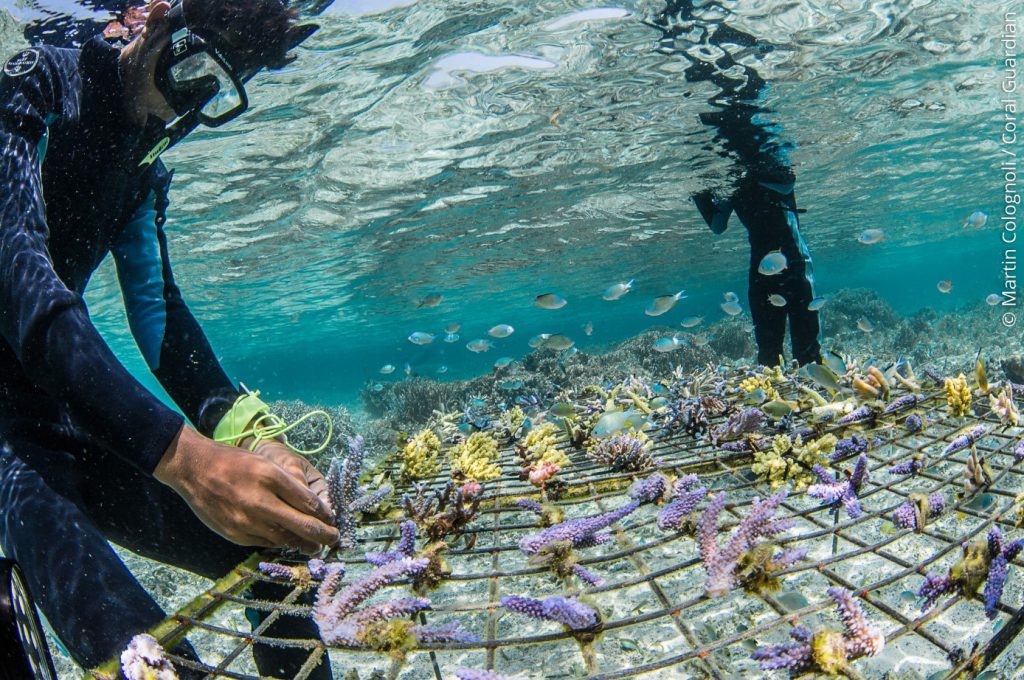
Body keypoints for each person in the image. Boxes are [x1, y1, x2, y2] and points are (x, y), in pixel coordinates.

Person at [0, 0, 339, 677]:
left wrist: (249, 435)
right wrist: (186, 460)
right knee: (148, 660)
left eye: (215, 89)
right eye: (193, 74)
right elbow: (19, 278)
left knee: (276, 564)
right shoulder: (32, 88)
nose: (179, 110)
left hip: (49, 406)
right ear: (153, 18)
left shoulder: (142, 161)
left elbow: (160, 315)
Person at [653, 0, 822, 366]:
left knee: (809, 350)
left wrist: (746, 176)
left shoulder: (765, 168)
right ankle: (686, 31)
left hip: (793, 261)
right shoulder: (735, 181)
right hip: (760, 266)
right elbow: (717, 226)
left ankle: (721, 34)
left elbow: (785, 186)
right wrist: (700, 193)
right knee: (767, 352)